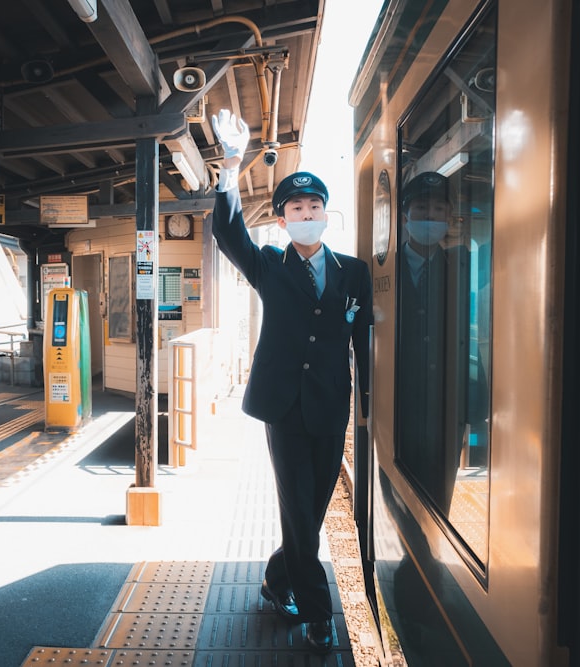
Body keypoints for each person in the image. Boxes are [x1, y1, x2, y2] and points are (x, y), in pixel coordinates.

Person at [210, 108, 373, 653]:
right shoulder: (271, 266)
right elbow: (229, 233)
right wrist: (231, 166)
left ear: (327, 214)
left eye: (314, 206)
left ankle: (278, 579)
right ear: (282, 220)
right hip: (283, 408)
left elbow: (363, 338)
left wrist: (369, 400)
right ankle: (319, 613)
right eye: (296, 208)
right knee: (300, 511)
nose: (306, 213)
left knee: (312, 510)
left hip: (331, 406)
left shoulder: (354, 272)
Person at [396, 171, 488, 515]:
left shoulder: (463, 265)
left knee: (440, 492)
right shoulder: (383, 269)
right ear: (405, 217)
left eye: (438, 209)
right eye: (422, 209)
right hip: (399, 404)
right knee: (402, 492)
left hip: (449, 402)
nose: (430, 217)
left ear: (450, 218)